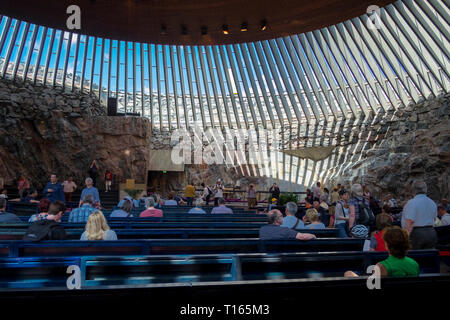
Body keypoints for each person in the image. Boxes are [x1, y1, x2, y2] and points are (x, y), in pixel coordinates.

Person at [345, 227, 419, 278]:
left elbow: (373, 286)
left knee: (348, 274)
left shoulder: (382, 267)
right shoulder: (414, 263)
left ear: (387, 245)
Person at [401, 180, 437, 250]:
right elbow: (434, 219)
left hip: (416, 235)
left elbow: (410, 222)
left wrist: (405, 238)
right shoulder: (432, 202)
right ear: (426, 190)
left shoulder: (411, 203)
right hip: (431, 233)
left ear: (413, 191)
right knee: (429, 257)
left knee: (415, 258)